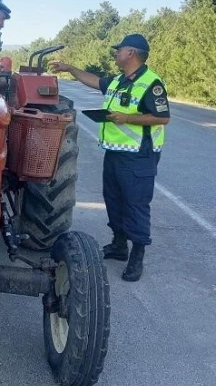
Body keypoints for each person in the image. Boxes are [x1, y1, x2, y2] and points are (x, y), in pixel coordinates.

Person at [50, 34, 170, 282]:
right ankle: (118, 245)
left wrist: (128, 118)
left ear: (131, 53)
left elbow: (162, 117)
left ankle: (137, 256)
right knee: (114, 200)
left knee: (135, 204)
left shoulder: (151, 83)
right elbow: (93, 81)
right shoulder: (119, 80)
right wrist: (70, 68)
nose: (115, 53)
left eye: (119, 50)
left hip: (139, 155)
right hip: (116, 152)